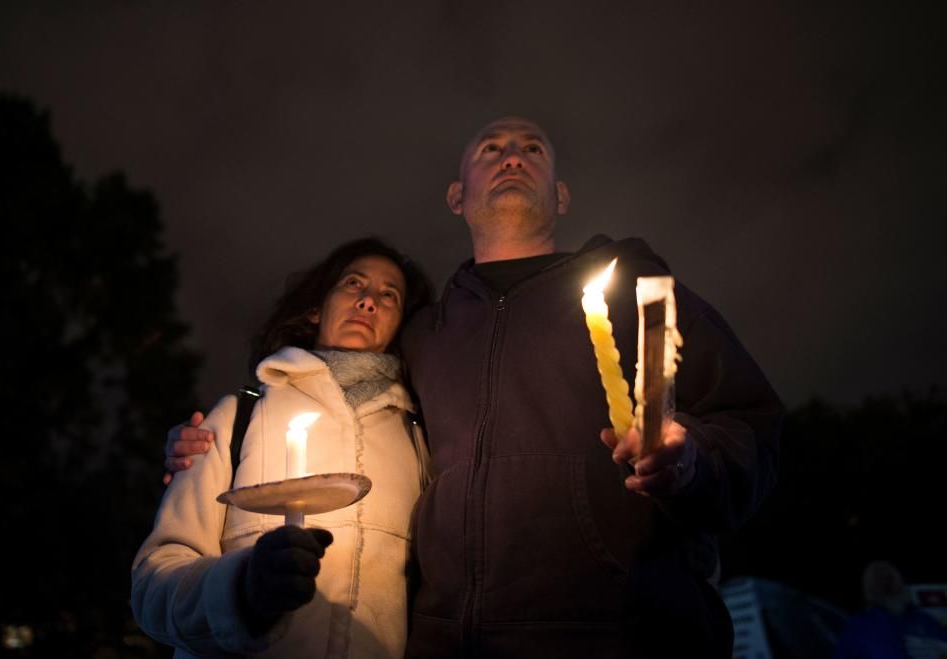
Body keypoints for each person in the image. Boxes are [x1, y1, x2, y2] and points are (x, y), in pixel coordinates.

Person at [167, 117, 783, 657]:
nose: (512, 155)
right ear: (457, 196)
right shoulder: (423, 338)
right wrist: (212, 445)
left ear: (561, 195)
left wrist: (692, 461)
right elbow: (344, 409)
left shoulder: (632, 291)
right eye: (491, 148)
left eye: (532, 148)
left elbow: (747, 421)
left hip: (616, 637)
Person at [133, 238, 433, 658]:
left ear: (401, 325)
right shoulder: (237, 417)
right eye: (353, 283)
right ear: (315, 309)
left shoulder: (419, 441)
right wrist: (243, 592)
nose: (369, 300)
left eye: (389, 295)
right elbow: (152, 588)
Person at [834, 560, 947, 659]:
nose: (887, 582)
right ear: (870, 590)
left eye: (890, 577)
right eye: (879, 578)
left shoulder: (924, 620)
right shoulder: (859, 626)